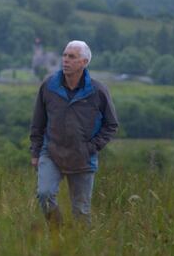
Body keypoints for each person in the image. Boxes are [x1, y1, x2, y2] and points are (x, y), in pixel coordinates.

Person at [29, 40, 118, 227]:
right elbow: (38, 123)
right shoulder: (49, 86)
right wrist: (35, 152)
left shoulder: (98, 90)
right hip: (51, 151)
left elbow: (111, 124)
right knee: (44, 195)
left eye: (72, 57)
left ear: (84, 62)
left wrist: (91, 148)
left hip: (82, 158)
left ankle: (81, 250)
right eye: (65, 55)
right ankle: (57, 232)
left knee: (81, 213)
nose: (65, 60)